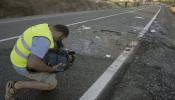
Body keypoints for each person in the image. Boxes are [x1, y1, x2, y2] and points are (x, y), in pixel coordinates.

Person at [5, 23, 69, 100]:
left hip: (16, 57)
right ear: (59, 34)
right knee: (52, 84)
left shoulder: (45, 27)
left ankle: (43, 80)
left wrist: (62, 47)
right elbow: (33, 64)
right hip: (22, 65)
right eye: (61, 38)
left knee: (50, 70)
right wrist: (51, 69)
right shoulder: (45, 41)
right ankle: (15, 86)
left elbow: (57, 41)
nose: (60, 40)